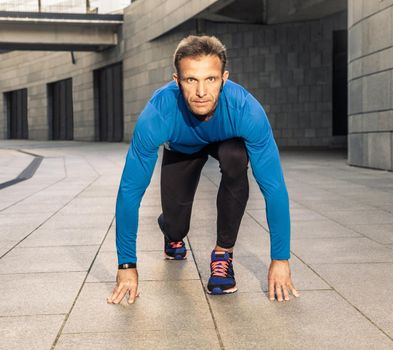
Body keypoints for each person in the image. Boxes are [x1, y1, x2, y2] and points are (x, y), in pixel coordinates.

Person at [107, 35, 299, 304]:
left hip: (225, 142)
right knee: (176, 227)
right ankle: (170, 232)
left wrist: (280, 258)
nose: (201, 92)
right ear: (177, 81)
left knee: (236, 156)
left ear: (224, 78)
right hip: (181, 149)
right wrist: (126, 266)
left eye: (210, 79)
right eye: (191, 80)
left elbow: (274, 187)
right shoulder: (158, 114)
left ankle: (223, 254)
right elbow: (130, 190)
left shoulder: (246, 109)